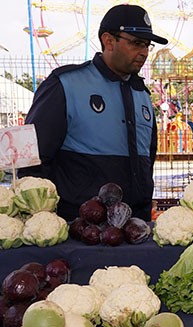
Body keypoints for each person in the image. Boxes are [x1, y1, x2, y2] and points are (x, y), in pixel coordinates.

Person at [19, 4, 168, 221]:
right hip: (78, 228)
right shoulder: (66, 84)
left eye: (147, 45)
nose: (144, 52)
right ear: (108, 41)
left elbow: (148, 158)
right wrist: (42, 219)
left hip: (135, 226)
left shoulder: (142, 94)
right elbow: (31, 160)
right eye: (136, 43)